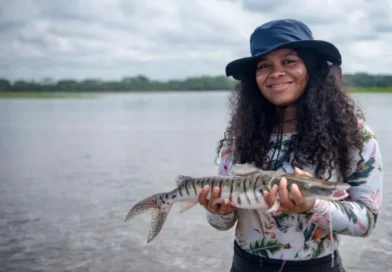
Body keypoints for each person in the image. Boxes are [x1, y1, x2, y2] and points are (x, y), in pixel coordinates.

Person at [198, 19, 383, 272]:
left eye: (289, 61)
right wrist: (217, 211)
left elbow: (366, 221)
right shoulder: (238, 137)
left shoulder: (355, 135)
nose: (276, 73)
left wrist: (312, 206)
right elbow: (221, 224)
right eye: (265, 66)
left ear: (312, 67)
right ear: (254, 78)